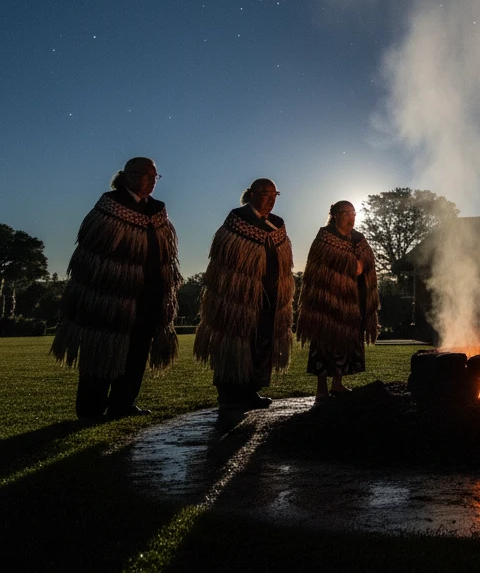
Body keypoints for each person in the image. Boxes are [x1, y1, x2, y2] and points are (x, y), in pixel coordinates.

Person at [51, 157, 182, 420]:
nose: (151, 181)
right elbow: (89, 255)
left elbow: (166, 254)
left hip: (149, 295)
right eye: (145, 175)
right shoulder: (109, 206)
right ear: (128, 176)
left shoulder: (157, 210)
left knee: (137, 352)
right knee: (103, 350)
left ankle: (123, 403)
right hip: (109, 296)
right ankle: (90, 408)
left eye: (154, 177)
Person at [194, 178, 295, 411]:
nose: (270, 199)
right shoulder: (237, 218)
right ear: (250, 195)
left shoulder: (277, 223)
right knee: (234, 342)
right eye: (264, 193)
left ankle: (251, 390)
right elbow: (223, 257)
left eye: (274, 195)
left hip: (268, 297)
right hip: (238, 299)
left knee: (261, 342)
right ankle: (228, 393)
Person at [296, 200, 380, 401]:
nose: (351, 217)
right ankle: (321, 388)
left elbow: (367, 264)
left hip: (353, 301)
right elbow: (318, 269)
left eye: (353, 213)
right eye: (346, 213)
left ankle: (338, 383)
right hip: (328, 303)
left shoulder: (359, 239)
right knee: (326, 342)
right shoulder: (325, 238)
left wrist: (359, 267)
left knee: (346, 342)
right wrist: (350, 264)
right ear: (335, 215)